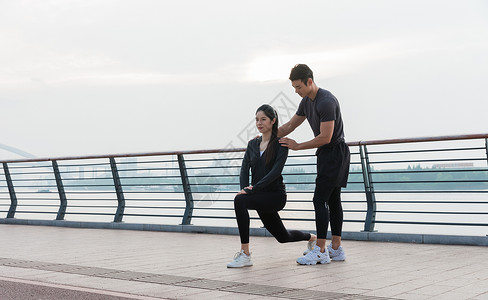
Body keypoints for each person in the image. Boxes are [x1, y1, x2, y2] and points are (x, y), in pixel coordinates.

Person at [227, 104, 317, 268]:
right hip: (258, 194)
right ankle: (312, 238)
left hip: (275, 196)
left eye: (263, 119)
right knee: (282, 237)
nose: (259, 123)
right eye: (256, 120)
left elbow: (275, 172)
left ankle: (245, 255)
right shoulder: (252, 144)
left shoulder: (281, 144)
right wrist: (244, 188)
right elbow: (244, 168)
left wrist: (253, 189)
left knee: (239, 201)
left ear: (273, 121)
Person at [279, 64, 350, 265]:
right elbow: (290, 125)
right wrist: (265, 136)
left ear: (310, 81)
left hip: (335, 153)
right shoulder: (306, 102)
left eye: (298, 87)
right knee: (333, 200)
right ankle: (335, 248)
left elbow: (325, 137)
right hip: (328, 154)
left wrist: (297, 146)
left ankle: (320, 250)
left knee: (319, 200)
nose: (296, 91)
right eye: (294, 87)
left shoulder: (326, 101)